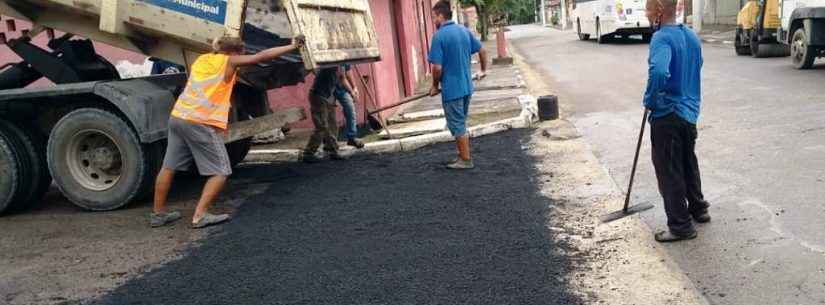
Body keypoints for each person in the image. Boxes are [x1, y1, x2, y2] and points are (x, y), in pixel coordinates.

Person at [151, 35, 304, 229]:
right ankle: (200, 215)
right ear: (235, 52)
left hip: (178, 116)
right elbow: (261, 56)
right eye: (241, 53)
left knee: (168, 167)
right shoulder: (229, 60)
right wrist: (292, 46)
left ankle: (158, 214)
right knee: (220, 171)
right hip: (200, 121)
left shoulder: (202, 59)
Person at [643, 0, 710, 242]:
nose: (646, 14)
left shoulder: (661, 38)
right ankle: (698, 208)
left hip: (667, 115)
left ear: (659, 11)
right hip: (689, 113)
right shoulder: (690, 36)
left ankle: (681, 226)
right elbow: (698, 65)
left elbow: (659, 72)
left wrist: (651, 98)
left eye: (648, 9)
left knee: (669, 170)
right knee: (687, 161)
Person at [428, 0, 488, 170]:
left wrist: (434, 86)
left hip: (452, 90)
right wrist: (483, 70)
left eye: (434, 17)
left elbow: (437, 68)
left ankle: (465, 160)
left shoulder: (439, 36)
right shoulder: (464, 31)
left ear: (441, 15)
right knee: (460, 122)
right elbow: (482, 50)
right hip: (467, 87)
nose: (434, 21)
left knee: (457, 125)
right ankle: (463, 154)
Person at [303, 66, 346, 163]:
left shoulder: (341, 66)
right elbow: (314, 68)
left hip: (328, 96)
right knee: (322, 126)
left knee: (333, 125)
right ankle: (308, 153)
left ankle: (332, 150)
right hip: (318, 95)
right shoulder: (327, 65)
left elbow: (338, 82)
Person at [333, 64, 365, 148]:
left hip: (341, 88)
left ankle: (352, 137)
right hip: (329, 87)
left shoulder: (344, 56)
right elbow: (342, 78)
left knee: (350, 109)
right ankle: (329, 142)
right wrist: (351, 92)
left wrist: (354, 87)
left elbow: (348, 71)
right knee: (328, 116)